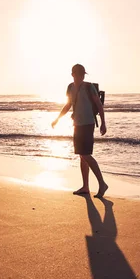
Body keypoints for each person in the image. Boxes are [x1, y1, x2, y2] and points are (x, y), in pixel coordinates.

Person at [52, 64, 108, 198]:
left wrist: (103, 123)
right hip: (77, 124)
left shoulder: (89, 87)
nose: (80, 77)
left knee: (86, 154)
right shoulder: (70, 87)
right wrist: (57, 119)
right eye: (78, 74)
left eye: (82, 74)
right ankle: (85, 187)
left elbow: (99, 105)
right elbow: (68, 105)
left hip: (88, 124)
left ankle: (102, 183)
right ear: (73, 74)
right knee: (82, 156)